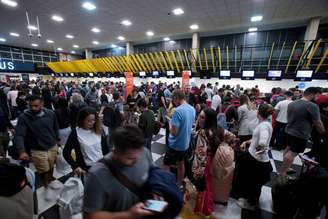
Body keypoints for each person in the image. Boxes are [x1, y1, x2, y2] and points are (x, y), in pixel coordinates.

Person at [83, 125, 154, 219]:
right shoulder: (96, 175)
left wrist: (157, 191)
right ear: (115, 152)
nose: (137, 160)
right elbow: (89, 216)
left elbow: (153, 173)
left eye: (139, 153)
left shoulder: (144, 152)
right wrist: (129, 215)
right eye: (130, 158)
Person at [14, 95, 60, 200]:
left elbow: (55, 127)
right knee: (43, 170)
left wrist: (57, 139)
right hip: (37, 149)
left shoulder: (50, 113)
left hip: (52, 145)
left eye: (36, 106)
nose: (33, 108)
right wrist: (22, 151)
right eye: (31, 106)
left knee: (51, 166)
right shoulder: (24, 117)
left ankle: (51, 181)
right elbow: (19, 135)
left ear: (42, 104)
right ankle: (46, 186)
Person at [232, 104, 274, 209]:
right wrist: (247, 142)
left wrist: (257, 152)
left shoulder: (264, 126)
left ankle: (251, 204)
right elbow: (257, 139)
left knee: (253, 183)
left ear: (258, 113)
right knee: (252, 182)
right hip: (256, 158)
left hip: (256, 160)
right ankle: (249, 200)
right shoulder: (266, 124)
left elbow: (263, 143)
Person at [279, 87, 326, 176]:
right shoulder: (312, 106)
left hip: (289, 130)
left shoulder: (292, 103)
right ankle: (282, 173)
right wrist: (323, 132)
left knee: (288, 148)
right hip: (300, 134)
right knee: (292, 153)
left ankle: (285, 167)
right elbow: (318, 122)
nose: (318, 98)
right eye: (318, 96)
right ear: (313, 94)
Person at [192, 108, 224, 216]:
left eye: (202, 117)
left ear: (208, 119)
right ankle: (208, 207)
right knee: (208, 184)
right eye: (199, 116)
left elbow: (200, 155)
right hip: (213, 160)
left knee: (203, 186)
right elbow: (233, 139)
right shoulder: (219, 128)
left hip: (204, 163)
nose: (199, 119)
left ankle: (204, 209)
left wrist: (197, 171)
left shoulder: (203, 133)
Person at [163, 89, 196, 185]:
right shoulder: (192, 109)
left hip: (175, 145)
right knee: (181, 164)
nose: (173, 102)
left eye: (173, 100)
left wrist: (170, 122)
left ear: (176, 98)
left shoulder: (177, 111)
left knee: (166, 164)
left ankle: (167, 185)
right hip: (185, 144)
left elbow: (174, 133)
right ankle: (179, 184)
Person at [64, 107, 108, 174]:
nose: (92, 123)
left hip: (102, 167)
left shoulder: (99, 130)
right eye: (89, 121)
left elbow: (105, 150)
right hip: (86, 170)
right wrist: (75, 166)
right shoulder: (75, 133)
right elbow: (66, 152)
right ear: (82, 120)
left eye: (94, 120)